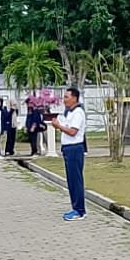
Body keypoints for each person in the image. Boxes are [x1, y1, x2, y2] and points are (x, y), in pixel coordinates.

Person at [47, 86, 87, 221]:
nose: (64, 100)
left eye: (66, 97)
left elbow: (72, 131)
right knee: (71, 180)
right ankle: (75, 207)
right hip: (68, 148)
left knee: (76, 180)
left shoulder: (78, 113)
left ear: (74, 98)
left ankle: (79, 210)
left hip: (75, 148)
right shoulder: (69, 113)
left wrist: (59, 127)